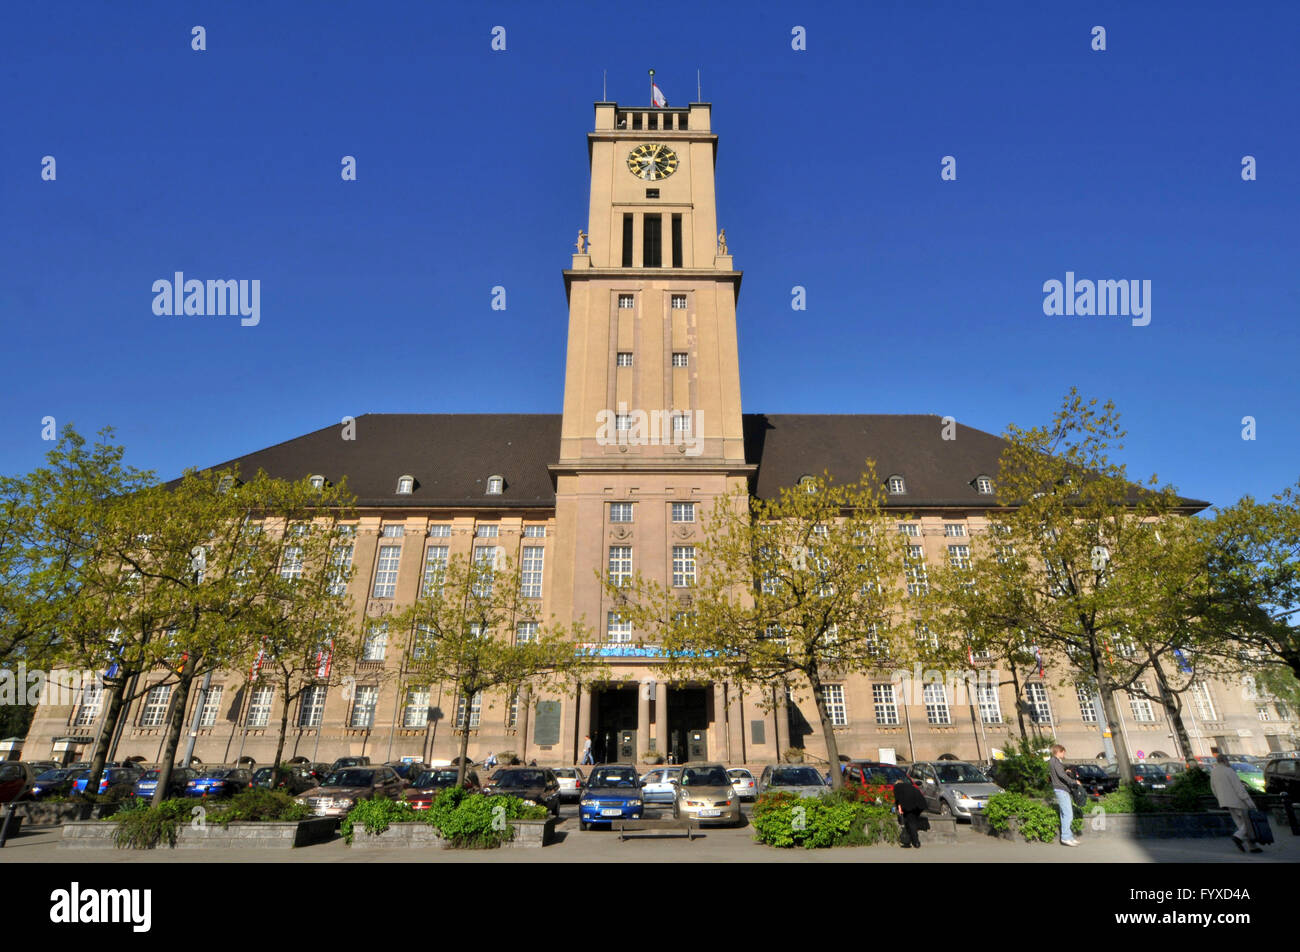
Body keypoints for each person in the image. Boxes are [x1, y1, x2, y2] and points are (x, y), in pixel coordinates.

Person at [1210, 753, 1261, 853]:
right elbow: (1239, 788)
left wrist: (1220, 799)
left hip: (1225, 802)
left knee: (1240, 823)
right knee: (1248, 821)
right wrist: (1249, 802)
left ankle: (1252, 846)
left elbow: (1213, 788)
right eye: (1228, 761)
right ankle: (1238, 837)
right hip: (1238, 800)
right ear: (1225, 761)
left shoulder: (1214, 772)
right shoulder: (1229, 771)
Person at [1048, 744, 1081, 847]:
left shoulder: (1053, 761)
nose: (1064, 754)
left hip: (1059, 789)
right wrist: (1074, 781)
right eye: (1063, 752)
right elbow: (1061, 775)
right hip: (1062, 790)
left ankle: (1068, 837)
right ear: (1059, 752)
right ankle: (1066, 838)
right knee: (1068, 814)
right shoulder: (1056, 761)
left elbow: (1060, 773)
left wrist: (1065, 771)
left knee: (1064, 815)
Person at [892, 775, 928, 848]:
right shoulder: (908, 786)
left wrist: (899, 809)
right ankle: (908, 840)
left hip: (910, 804)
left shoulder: (896, 787)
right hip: (920, 803)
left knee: (911, 822)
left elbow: (898, 799)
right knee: (911, 820)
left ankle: (916, 842)